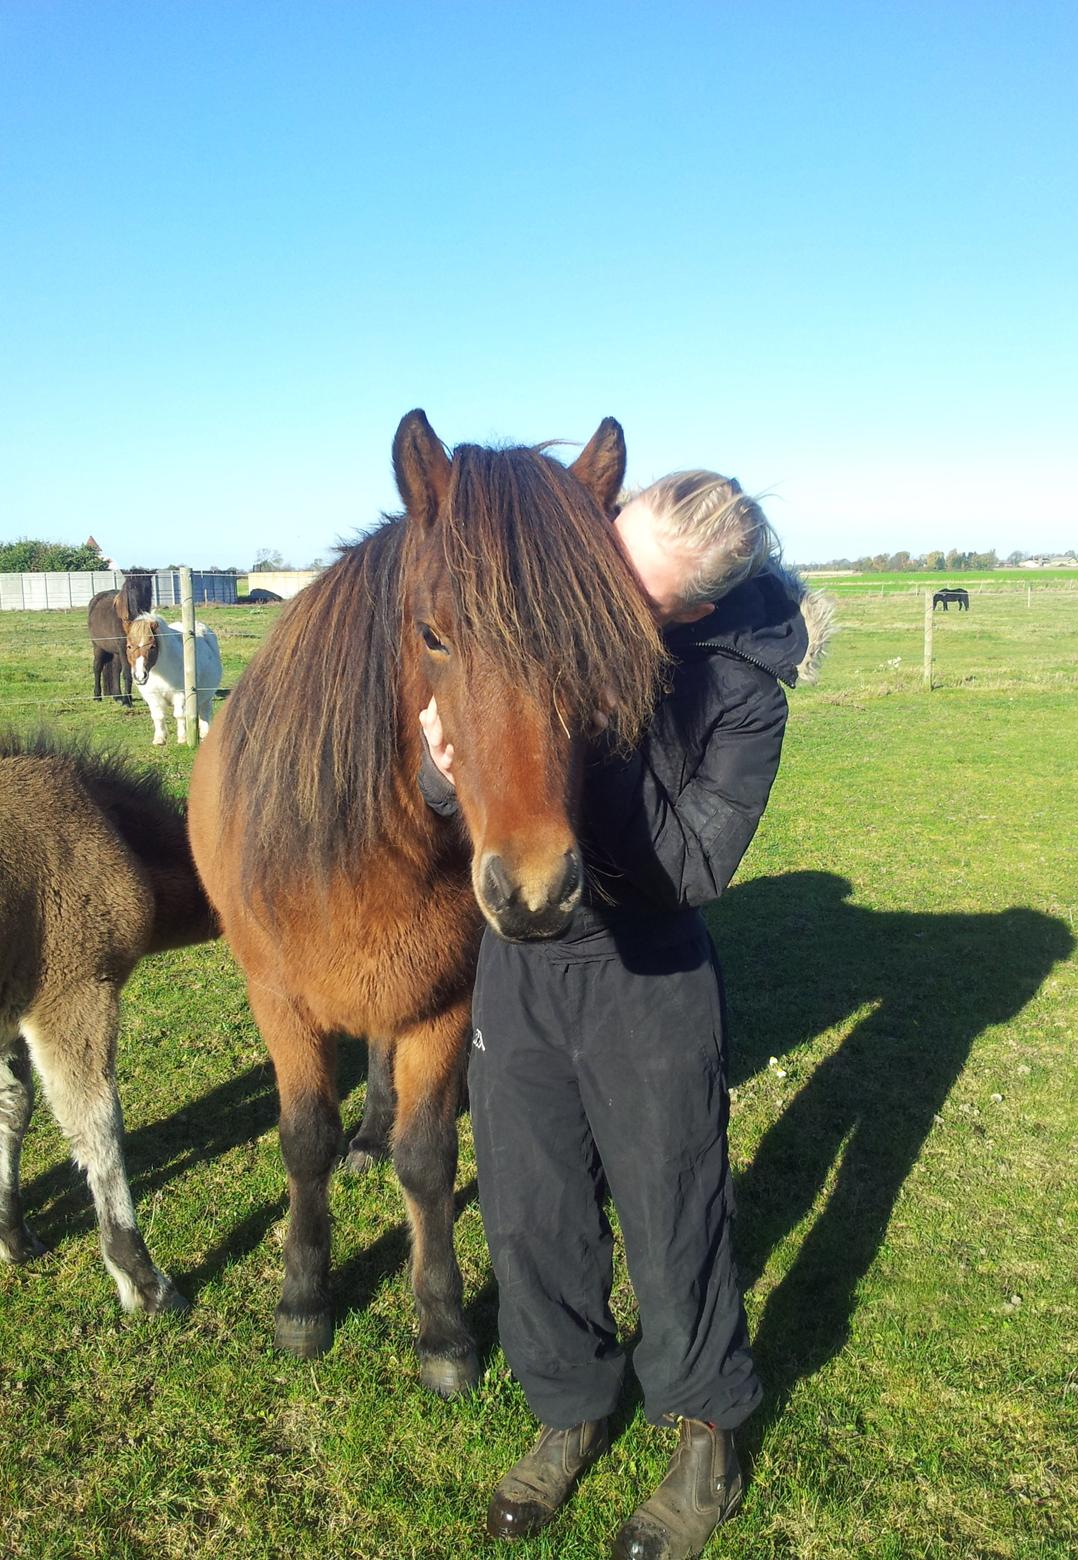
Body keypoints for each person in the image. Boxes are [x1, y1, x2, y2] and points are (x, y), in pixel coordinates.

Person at [418, 470, 818, 1558]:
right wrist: (450, 769)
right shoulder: (551, 617)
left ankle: (706, 1431)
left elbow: (695, 860)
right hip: (523, 977)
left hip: (648, 977)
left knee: (673, 1205)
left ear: (689, 608)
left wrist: (572, 795)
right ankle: (570, 1406)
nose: (591, 603)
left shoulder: (740, 693)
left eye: (625, 595)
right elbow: (460, 769)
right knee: (527, 1204)